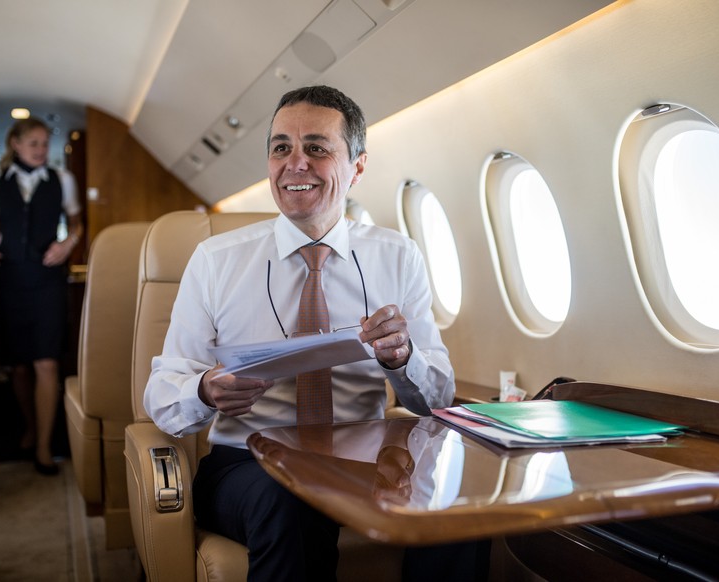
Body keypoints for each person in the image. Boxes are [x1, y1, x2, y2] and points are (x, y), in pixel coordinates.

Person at [145, 85, 488, 580]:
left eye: (317, 148)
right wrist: (205, 389)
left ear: (358, 166)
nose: (295, 163)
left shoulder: (399, 257)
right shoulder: (216, 260)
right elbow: (161, 393)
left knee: (458, 499)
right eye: (281, 147)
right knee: (290, 500)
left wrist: (401, 358)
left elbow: (437, 397)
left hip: (362, 458)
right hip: (249, 463)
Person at [0, 117, 83, 476]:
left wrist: (68, 243)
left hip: (48, 279)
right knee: (19, 365)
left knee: (46, 361)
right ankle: (31, 425)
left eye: (44, 143)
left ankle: (42, 447)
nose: (41, 150)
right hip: (11, 278)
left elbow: (77, 221)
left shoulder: (62, 180)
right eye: (34, 143)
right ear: (16, 145)